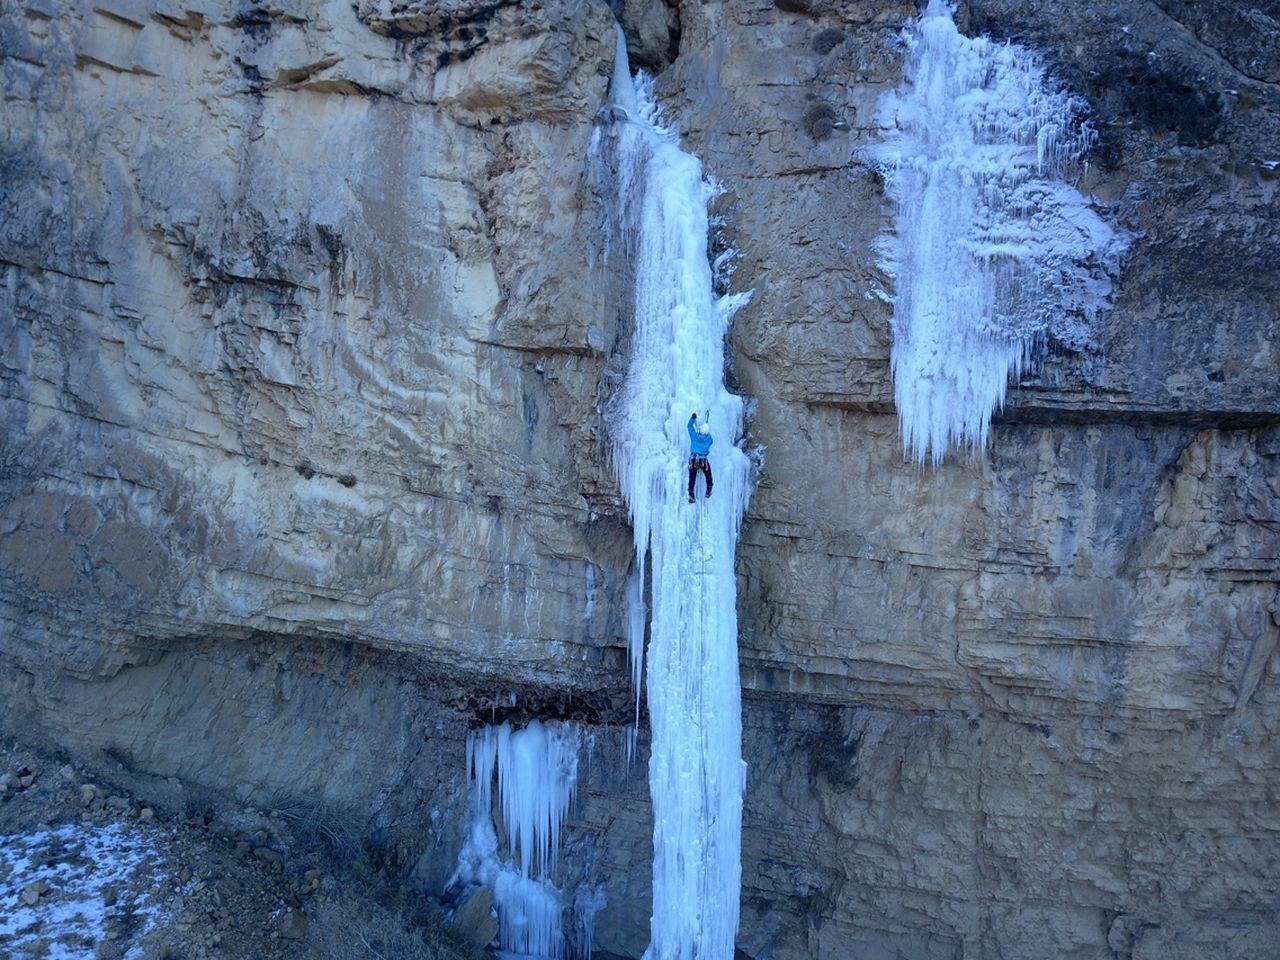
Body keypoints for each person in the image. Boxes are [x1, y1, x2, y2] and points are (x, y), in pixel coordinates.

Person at [687, 413, 713, 503]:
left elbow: (689, 427)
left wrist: (693, 419)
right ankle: (709, 490)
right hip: (703, 460)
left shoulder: (695, 436)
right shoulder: (709, 439)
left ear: (700, 430)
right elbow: (710, 441)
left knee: (692, 478)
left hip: (693, 460)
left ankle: (691, 495)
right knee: (708, 475)